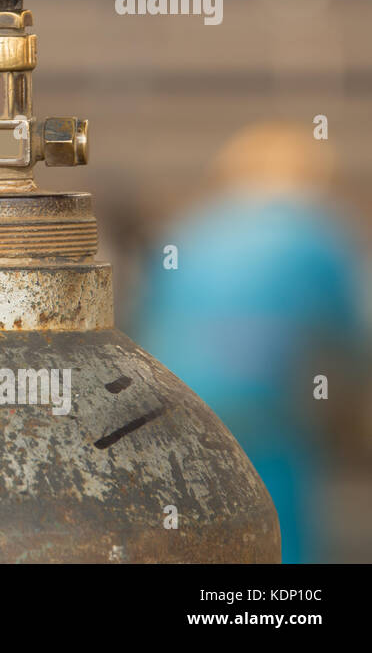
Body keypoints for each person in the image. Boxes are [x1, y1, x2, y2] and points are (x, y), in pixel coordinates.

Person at [136, 122, 367, 563]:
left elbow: (152, 316)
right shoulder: (316, 231)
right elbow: (352, 330)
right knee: (279, 521)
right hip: (266, 404)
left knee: (198, 522)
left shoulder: (193, 228)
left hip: (176, 395)